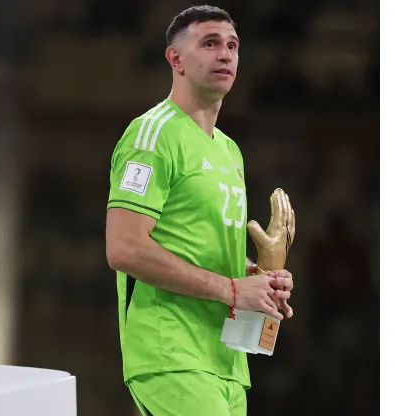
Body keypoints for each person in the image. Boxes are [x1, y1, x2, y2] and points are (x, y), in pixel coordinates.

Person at [105, 5, 294, 416]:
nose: (225, 54)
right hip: (171, 354)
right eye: (209, 44)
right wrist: (230, 290)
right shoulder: (152, 135)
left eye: (232, 45)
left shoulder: (230, 151)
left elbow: (198, 249)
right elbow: (124, 248)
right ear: (176, 59)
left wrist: (257, 280)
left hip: (227, 361)